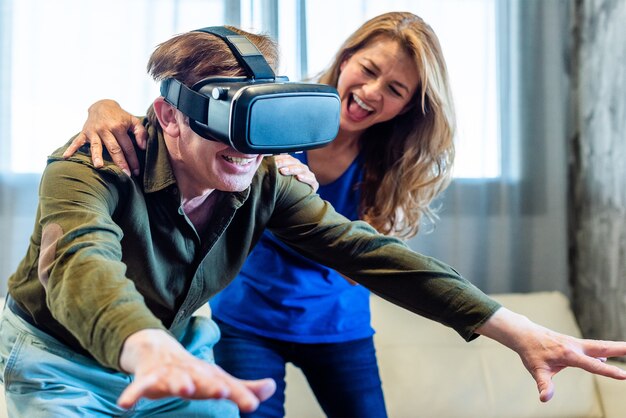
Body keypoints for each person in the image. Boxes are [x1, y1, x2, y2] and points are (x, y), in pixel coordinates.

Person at [6, 22, 626, 418]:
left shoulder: (265, 177)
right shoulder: (94, 160)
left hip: (181, 347)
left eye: (262, 121)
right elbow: (81, 261)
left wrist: (518, 330)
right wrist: (145, 347)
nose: (251, 146)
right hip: (65, 356)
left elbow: (368, 252)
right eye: (229, 117)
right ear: (170, 117)